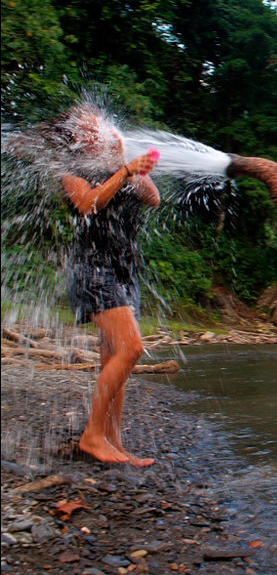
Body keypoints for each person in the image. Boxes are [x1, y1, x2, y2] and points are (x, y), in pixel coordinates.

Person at [49, 104, 161, 466]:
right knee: (130, 349)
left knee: (115, 358)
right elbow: (88, 203)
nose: (104, 132)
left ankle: (112, 441)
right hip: (92, 270)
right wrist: (125, 171)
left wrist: (131, 168)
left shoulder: (118, 169)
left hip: (125, 271)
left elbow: (153, 198)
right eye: (95, 128)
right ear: (80, 138)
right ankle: (92, 436)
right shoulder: (72, 171)